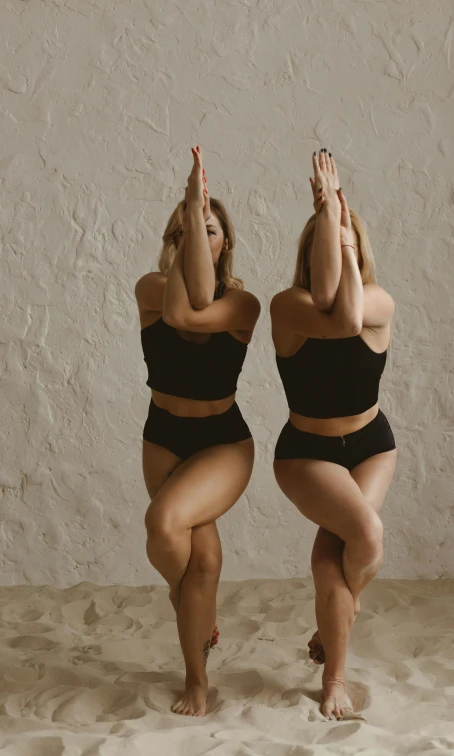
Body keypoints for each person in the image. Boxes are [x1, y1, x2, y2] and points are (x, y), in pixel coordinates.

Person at [270, 148, 397, 721]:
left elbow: (348, 311)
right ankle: (335, 675)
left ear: (357, 249)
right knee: (364, 535)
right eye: (327, 238)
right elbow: (332, 309)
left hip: (372, 445)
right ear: (313, 249)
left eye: (348, 239)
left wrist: (340, 229)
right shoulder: (287, 305)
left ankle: (332, 637)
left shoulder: (380, 301)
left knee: (349, 546)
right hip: (306, 453)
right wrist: (330, 216)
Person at [135, 145, 261, 717]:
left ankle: (197, 679)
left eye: (209, 230)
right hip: (163, 439)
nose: (199, 238)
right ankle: (197, 663)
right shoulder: (148, 289)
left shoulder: (244, 304)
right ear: (174, 239)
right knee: (199, 562)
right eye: (188, 229)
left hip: (223, 444)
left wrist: (193, 202)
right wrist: (190, 212)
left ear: (225, 244)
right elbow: (177, 302)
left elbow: (193, 312)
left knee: (165, 523)